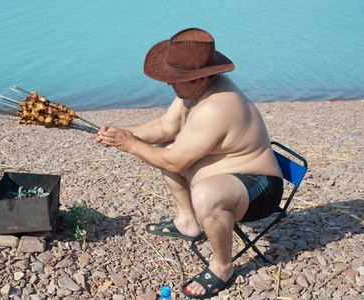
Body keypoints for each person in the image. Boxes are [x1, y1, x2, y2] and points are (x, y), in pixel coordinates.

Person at [91, 28, 283, 299]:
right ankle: (187, 223)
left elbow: (175, 160)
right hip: (228, 173)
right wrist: (120, 134)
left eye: (176, 80)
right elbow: (164, 126)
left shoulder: (215, 107)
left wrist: (130, 144)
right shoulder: (195, 90)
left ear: (201, 77)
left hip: (259, 187)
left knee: (203, 192)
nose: (171, 85)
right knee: (165, 148)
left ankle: (222, 267)